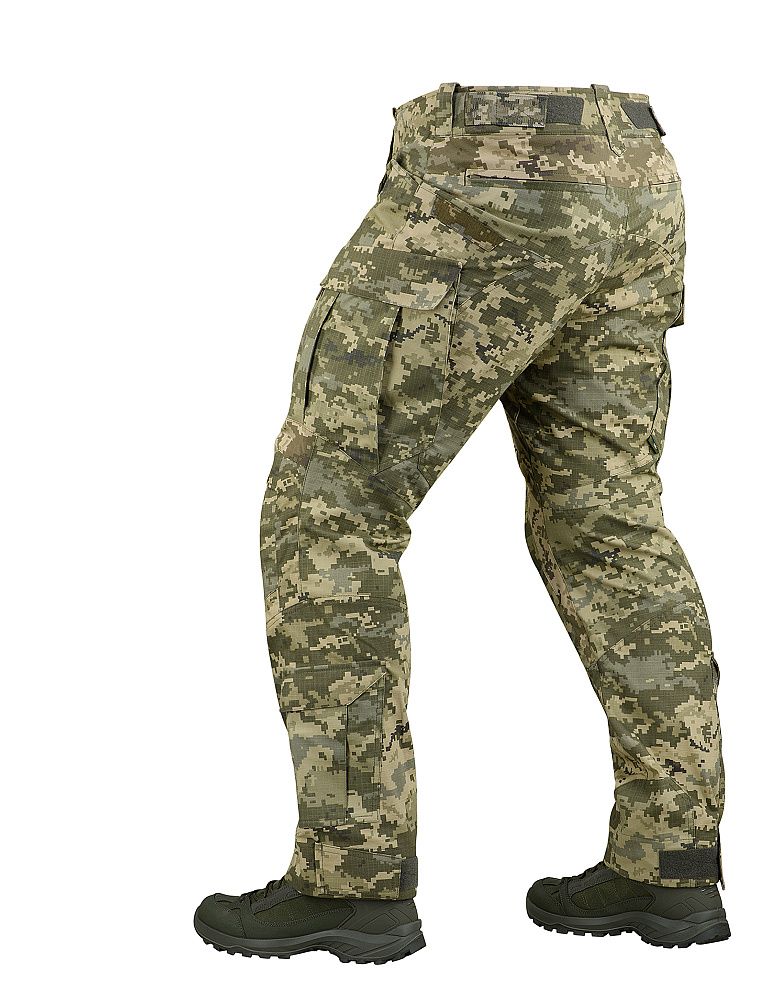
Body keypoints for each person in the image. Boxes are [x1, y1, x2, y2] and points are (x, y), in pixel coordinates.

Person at [194, 83, 728, 963]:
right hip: (638, 175)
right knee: (607, 524)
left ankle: (352, 878)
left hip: (488, 167)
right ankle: (670, 863)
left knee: (329, 512)